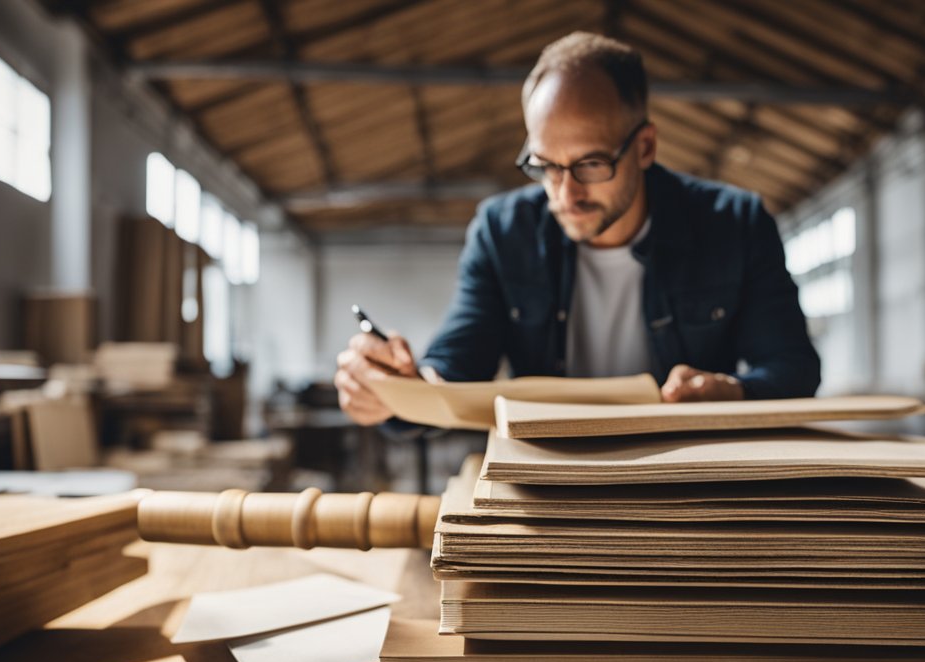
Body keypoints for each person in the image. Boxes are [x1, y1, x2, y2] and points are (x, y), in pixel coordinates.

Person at [336, 32, 820, 426]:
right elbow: (456, 368)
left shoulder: (734, 224)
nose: (565, 194)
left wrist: (734, 392)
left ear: (645, 147)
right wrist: (394, 389)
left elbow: (794, 369)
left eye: (590, 164)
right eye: (546, 166)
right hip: (549, 490)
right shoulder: (503, 232)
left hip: (688, 484)